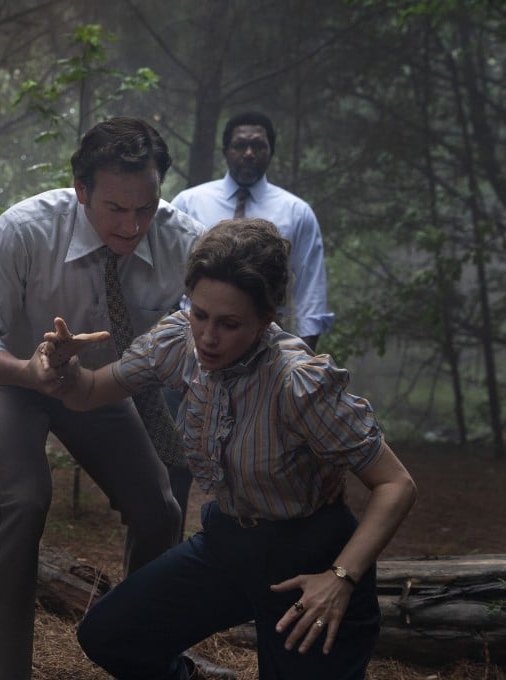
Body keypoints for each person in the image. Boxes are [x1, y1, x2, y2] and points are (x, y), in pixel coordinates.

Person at [33, 218, 417, 679]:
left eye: (230, 323)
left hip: (309, 558)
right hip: (229, 544)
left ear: (265, 320)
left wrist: (340, 579)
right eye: (200, 314)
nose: (208, 337)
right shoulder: (178, 342)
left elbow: (396, 484)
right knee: (110, 635)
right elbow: (89, 391)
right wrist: (64, 368)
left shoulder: (297, 382)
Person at [0, 116, 205, 680]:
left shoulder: (183, 238)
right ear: (81, 190)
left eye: (146, 207)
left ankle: (144, 655)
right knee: (22, 501)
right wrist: (28, 369)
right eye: (115, 209)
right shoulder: (25, 229)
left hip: (98, 384)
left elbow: (202, 328)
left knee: (159, 509)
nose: (133, 225)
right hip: (9, 378)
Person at [171, 111, 333, 351]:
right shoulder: (188, 203)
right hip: (193, 342)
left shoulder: (297, 212)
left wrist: (302, 358)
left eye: (258, 145)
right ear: (225, 151)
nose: (249, 153)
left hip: (266, 346)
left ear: (271, 151)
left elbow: (310, 291)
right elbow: (167, 279)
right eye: (240, 145)